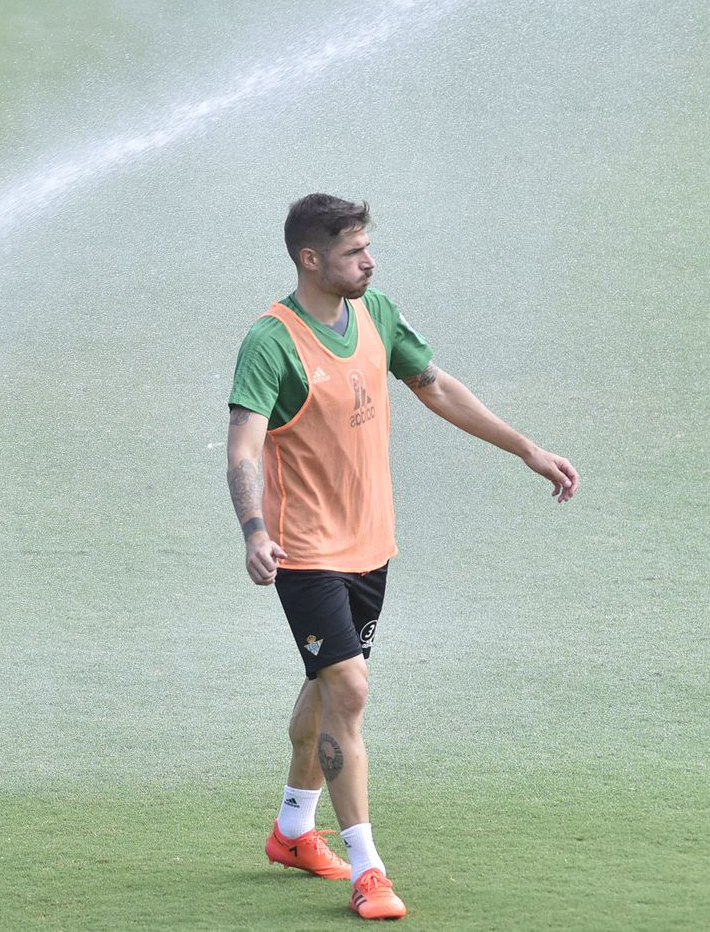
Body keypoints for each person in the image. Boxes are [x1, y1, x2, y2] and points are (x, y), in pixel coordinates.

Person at [226, 193, 579, 920]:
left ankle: (293, 829)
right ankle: (369, 869)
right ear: (311, 258)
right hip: (305, 551)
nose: (369, 260)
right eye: (354, 252)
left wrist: (528, 448)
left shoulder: (375, 313)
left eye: (367, 247)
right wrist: (254, 529)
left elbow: (437, 385)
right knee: (349, 690)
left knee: (327, 688)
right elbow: (242, 447)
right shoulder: (272, 341)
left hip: (370, 547)